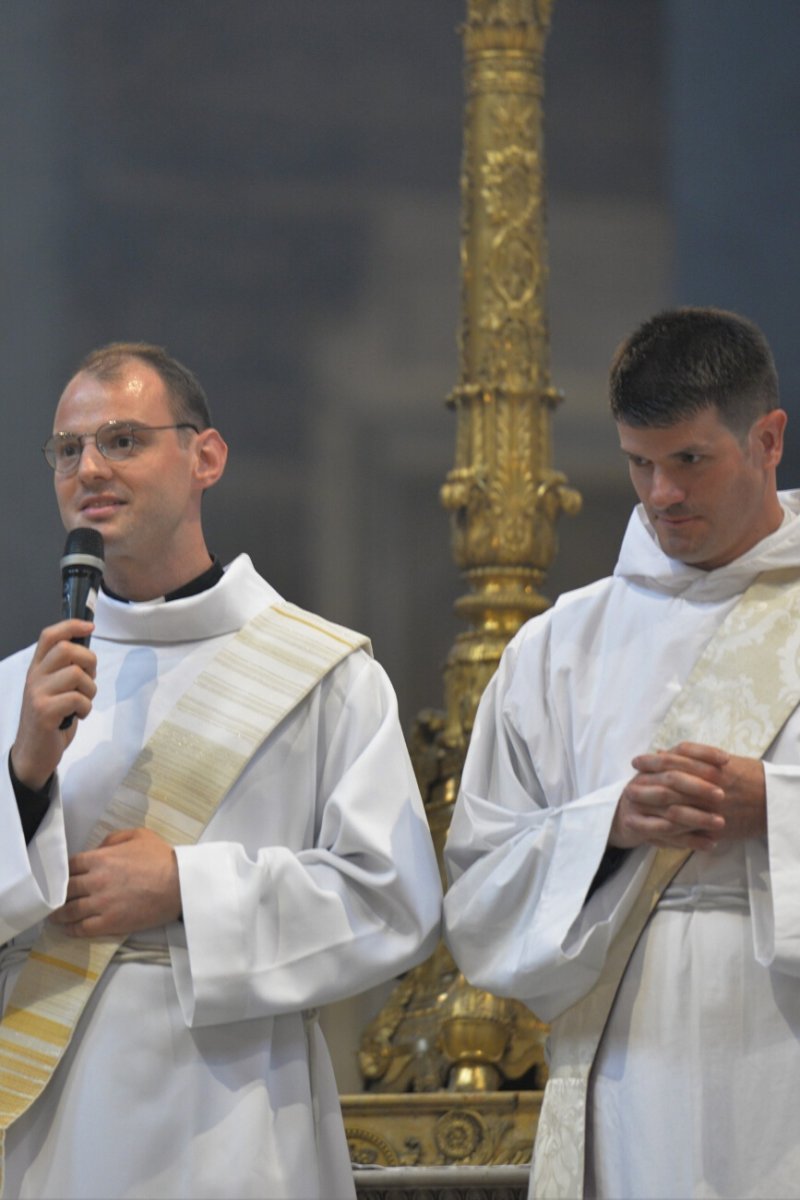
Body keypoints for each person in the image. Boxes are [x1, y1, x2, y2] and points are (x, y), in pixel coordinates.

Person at [0, 342, 442, 1200]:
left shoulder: (326, 676)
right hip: (54, 1122)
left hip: (233, 1112)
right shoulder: (21, 687)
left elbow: (394, 900)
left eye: (123, 440)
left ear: (206, 457)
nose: (89, 468)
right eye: (68, 449)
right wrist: (25, 776)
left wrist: (187, 889)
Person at [443, 307, 800, 1200]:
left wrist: (776, 807)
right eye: (640, 463)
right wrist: (606, 832)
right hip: (629, 1064)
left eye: (690, 460)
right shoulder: (561, 646)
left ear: (768, 439)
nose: (661, 494)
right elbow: (479, 889)